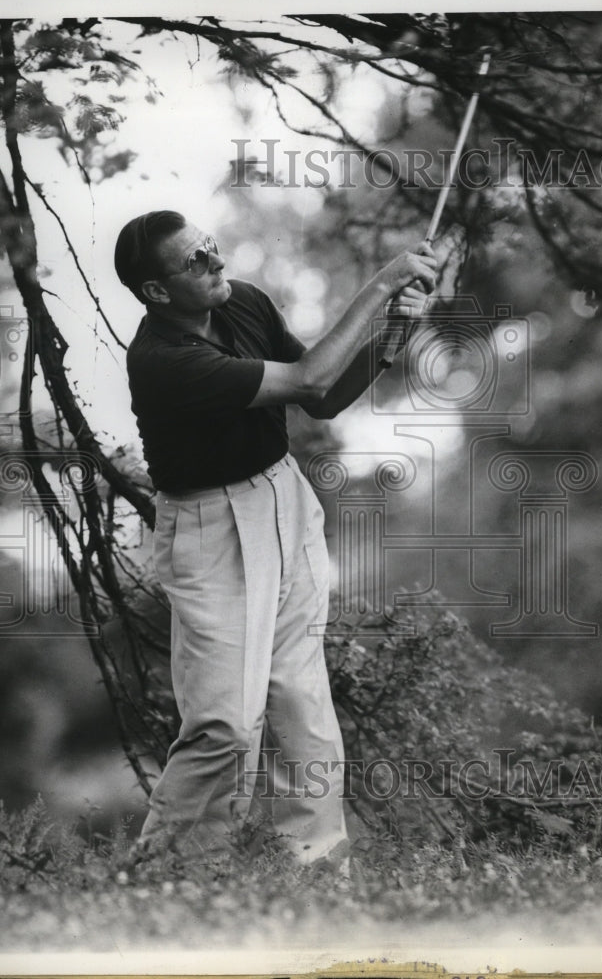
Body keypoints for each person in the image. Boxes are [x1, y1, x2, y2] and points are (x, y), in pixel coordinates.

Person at [114, 210, 436, 868]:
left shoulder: (244, 305)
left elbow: (323, 400)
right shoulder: (162, 361)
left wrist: (393, 330)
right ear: (155, 291)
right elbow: (308, 379)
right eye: (195, 261)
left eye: (212, 247)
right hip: (208, 527)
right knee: (224, 725)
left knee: (301, 701)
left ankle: (315, 872)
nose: (215, 263)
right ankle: (165, 878)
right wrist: (380, 286)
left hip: (282, 497)